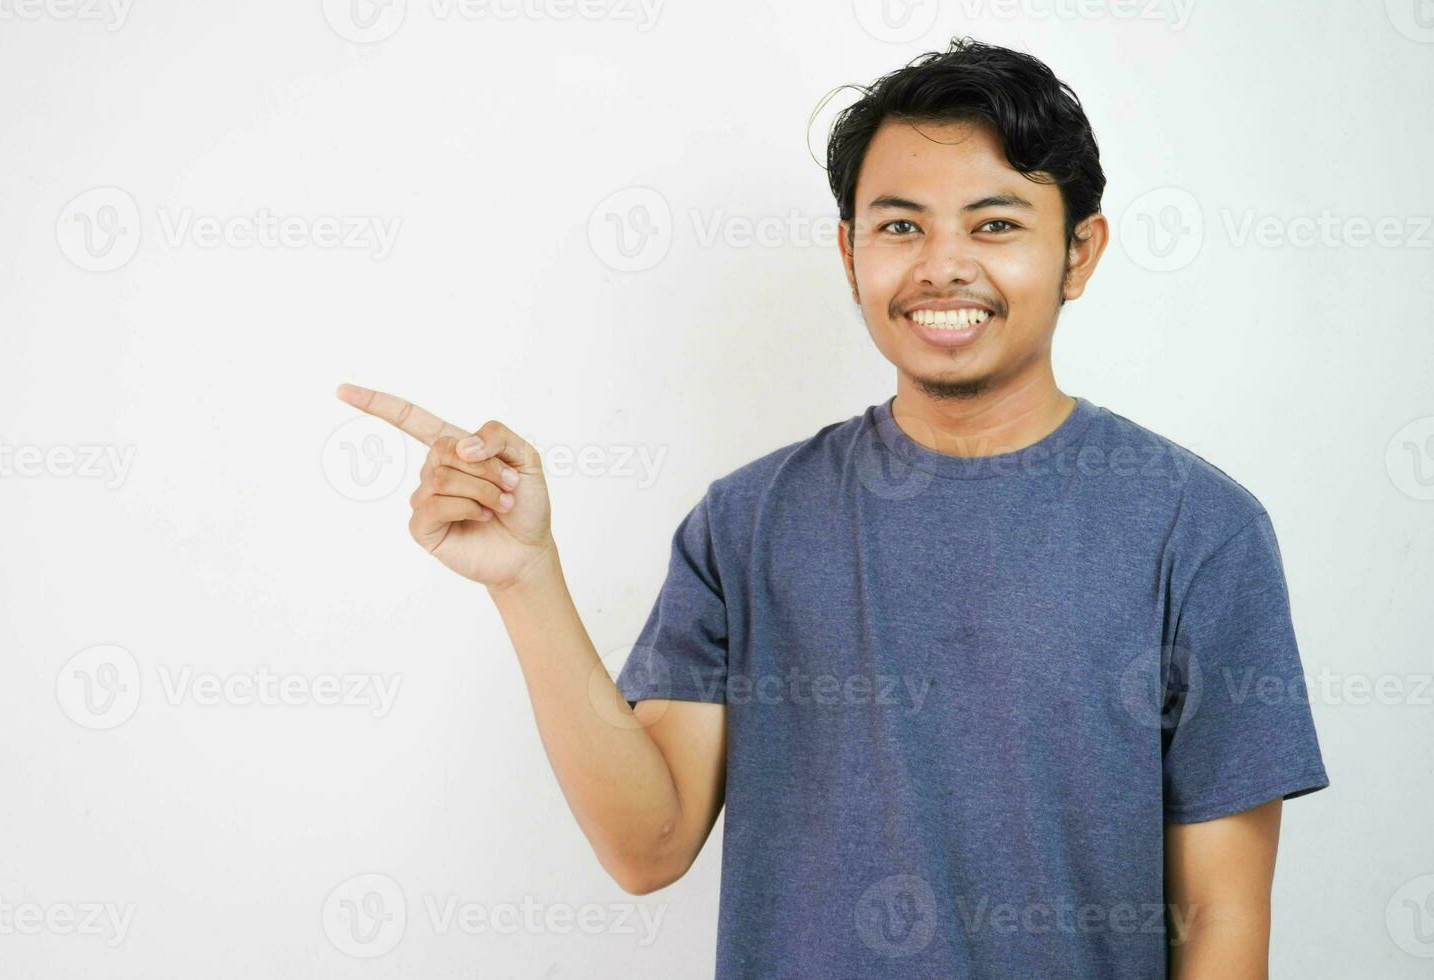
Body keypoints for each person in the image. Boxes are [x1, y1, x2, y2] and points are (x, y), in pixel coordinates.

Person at [336, 36, 1328, 979]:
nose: (942, 265)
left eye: (995, 224)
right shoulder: (747, 522)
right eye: (902, 225)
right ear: (850, 250)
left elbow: (1226, 922)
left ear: (1080, 249)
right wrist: (525, 578)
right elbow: (651, 841)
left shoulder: (1196, 528)